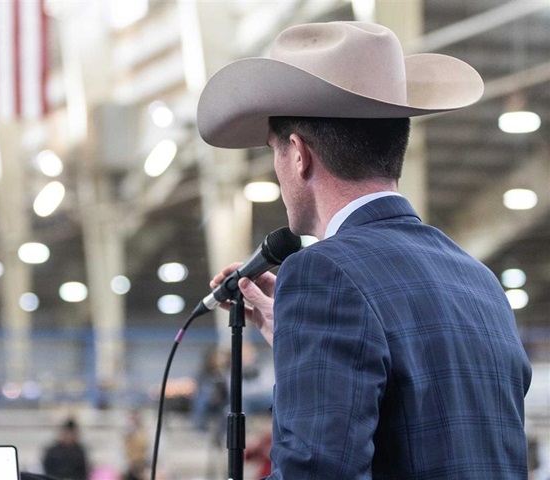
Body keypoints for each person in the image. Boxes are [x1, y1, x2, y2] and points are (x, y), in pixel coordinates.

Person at [197, 22, 532, 479]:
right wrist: (300, 336)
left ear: (298, 154)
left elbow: (314, 471)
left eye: (274, 152)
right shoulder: (478, 280)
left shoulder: (323, 273)